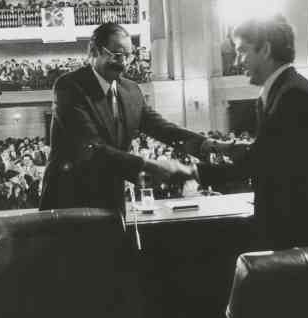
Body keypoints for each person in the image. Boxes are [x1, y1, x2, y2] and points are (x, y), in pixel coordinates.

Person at [196, 15, 308, 251]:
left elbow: (260, 161)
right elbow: (273, 151)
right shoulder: (280, 91)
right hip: (289, 229)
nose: (237, 61)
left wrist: (193, 173)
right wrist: (223, 148)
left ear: (264, 49)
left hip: (304, 235)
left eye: (242, 51)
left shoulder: (293, 95)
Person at [39, 22, 208, 213]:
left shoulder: (131, 90)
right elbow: (90, 148)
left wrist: (207, 144)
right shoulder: (70, 86)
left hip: (112, 199)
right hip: (70, 200)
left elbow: (161, 128)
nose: (124, 63)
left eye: (129, 56)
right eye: (117, 55)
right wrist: (148, 166)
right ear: (94, 52)